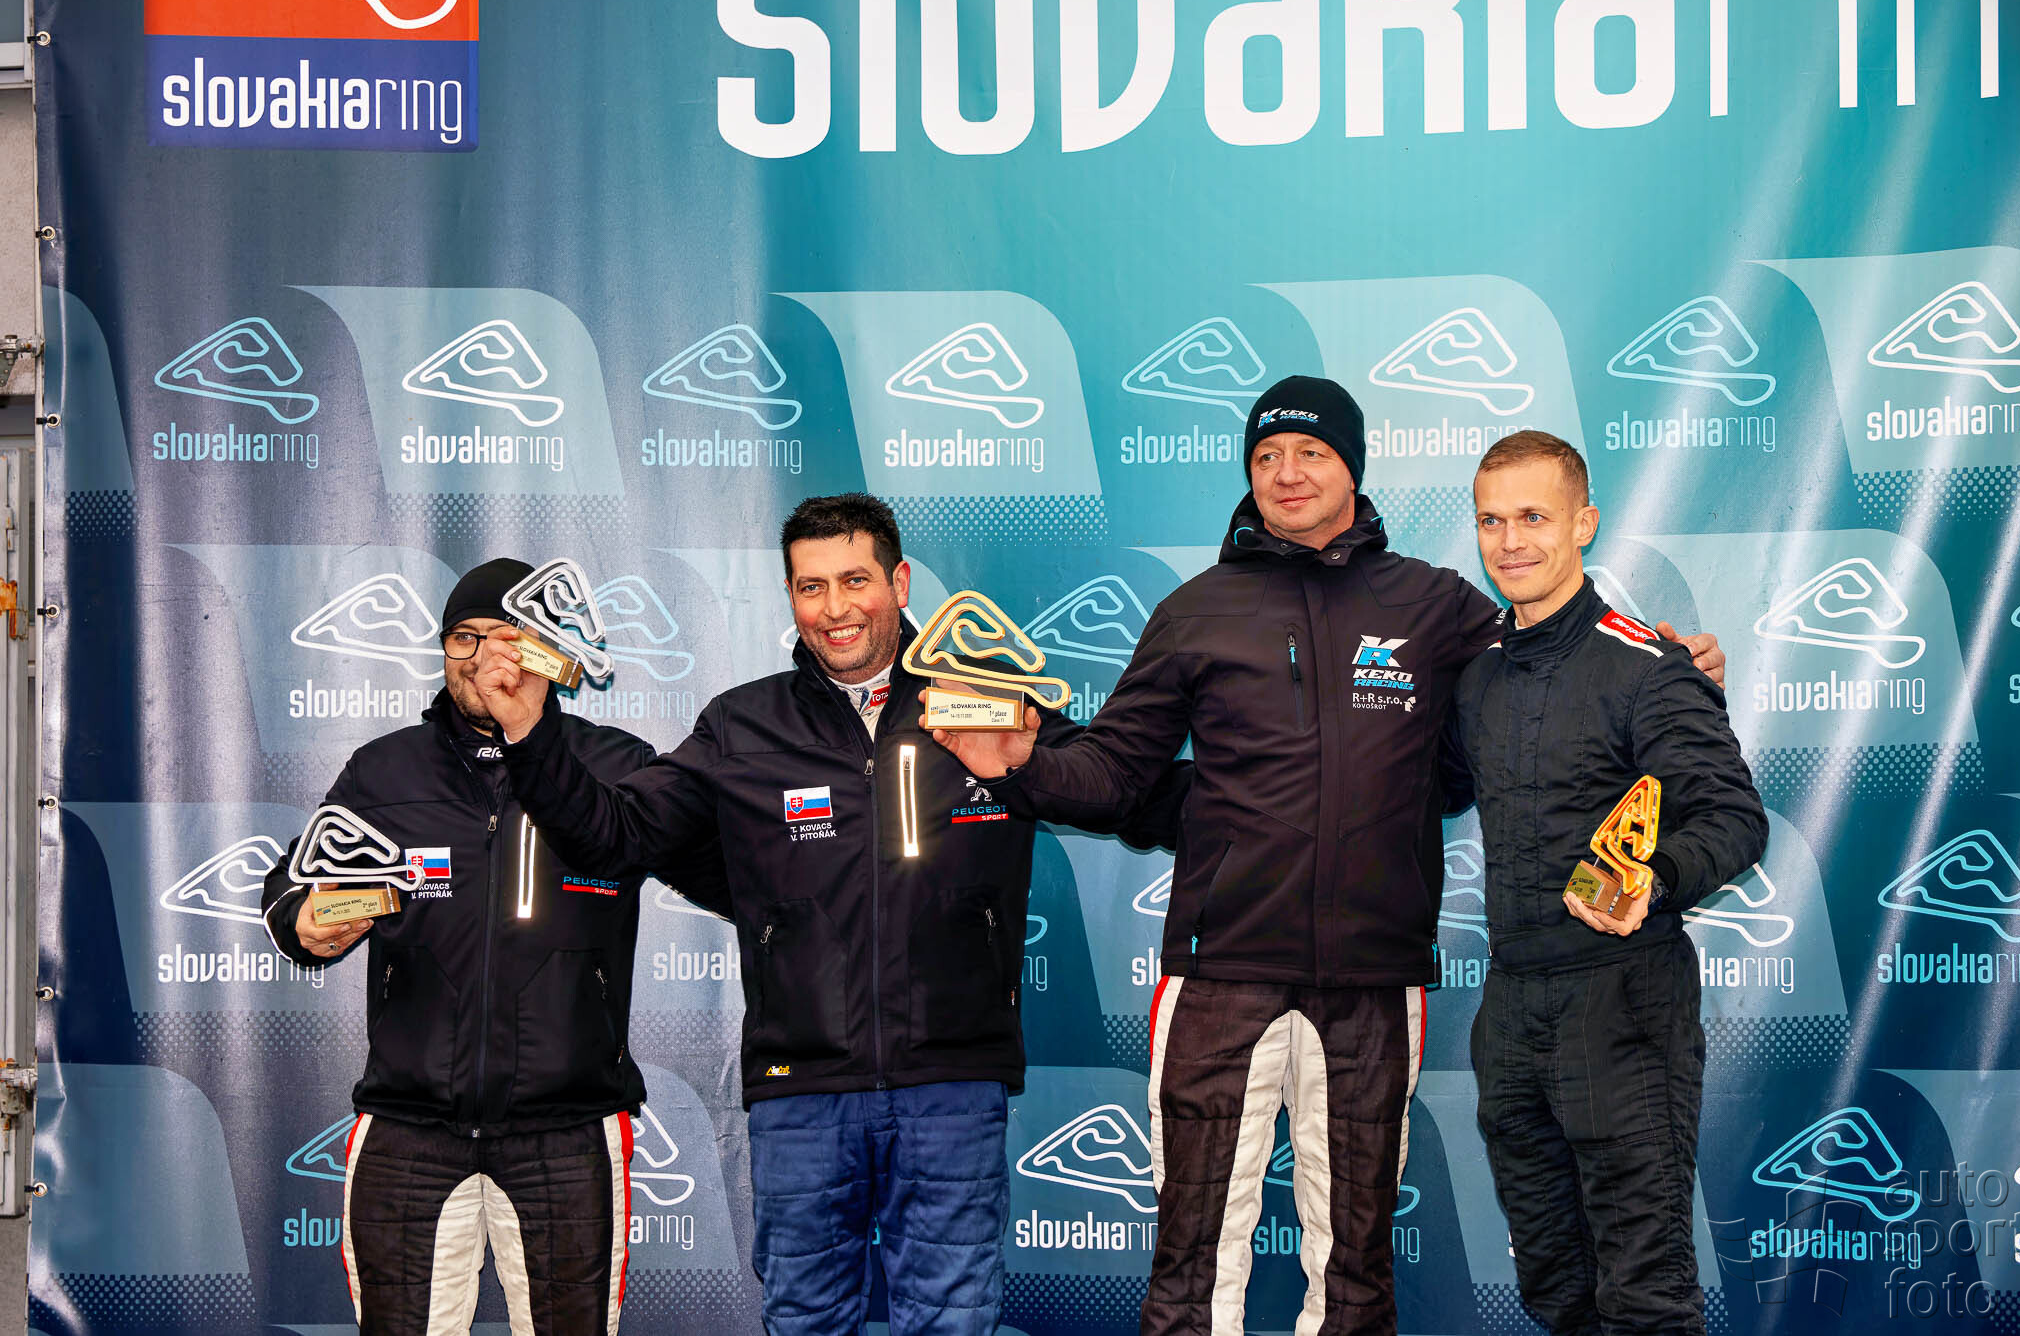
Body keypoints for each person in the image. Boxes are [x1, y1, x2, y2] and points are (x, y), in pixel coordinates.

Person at [930, 377, 1724, 1336]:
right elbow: (1115, 772)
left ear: (1352, 466)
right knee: (1191, 1264)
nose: (1287, 472)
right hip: (1220, 974)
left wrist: (1667, 661)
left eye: (1311, 452)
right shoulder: (1195, 611)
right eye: (1266, 457)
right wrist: (1022, 763)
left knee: (1354, 1273)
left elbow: (1549, 657)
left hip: (1373, 982)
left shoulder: (1435, 605)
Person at [473, 494, 1187, 1336]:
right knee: (807, 1319)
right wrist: (531, 732)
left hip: (952, 1083)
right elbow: (613, 835)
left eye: (855, 580)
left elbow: (1115, 792)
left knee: (953, 1321)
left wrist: (1026, 763)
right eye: (811, 587)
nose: (836, 608)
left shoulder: (984, 699)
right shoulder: (741, 725)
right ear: (790, 596)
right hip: (801, 1091)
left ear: (900, 582)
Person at [259, 557, 728, 1336]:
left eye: (505, 638)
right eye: (464, 637)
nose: (482, 658)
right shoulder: (385, 770)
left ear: (544, 649)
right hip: (409, 1127)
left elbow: (727, 875)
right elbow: (290, 886)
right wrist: (302, 923)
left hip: (567, 1130)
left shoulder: (616, 765)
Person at [1447, 431, 1766, 1335]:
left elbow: (1735, 818)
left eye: (1534, 517)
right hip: (1511, 1012)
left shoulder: (1647, 665)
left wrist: (1652, 880)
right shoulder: (1474, 677)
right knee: (1556, 1287)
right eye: (1492, 521)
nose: (1511, 541)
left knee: (1644, 1292)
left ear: (1583, 523)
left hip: (1623, 1007)